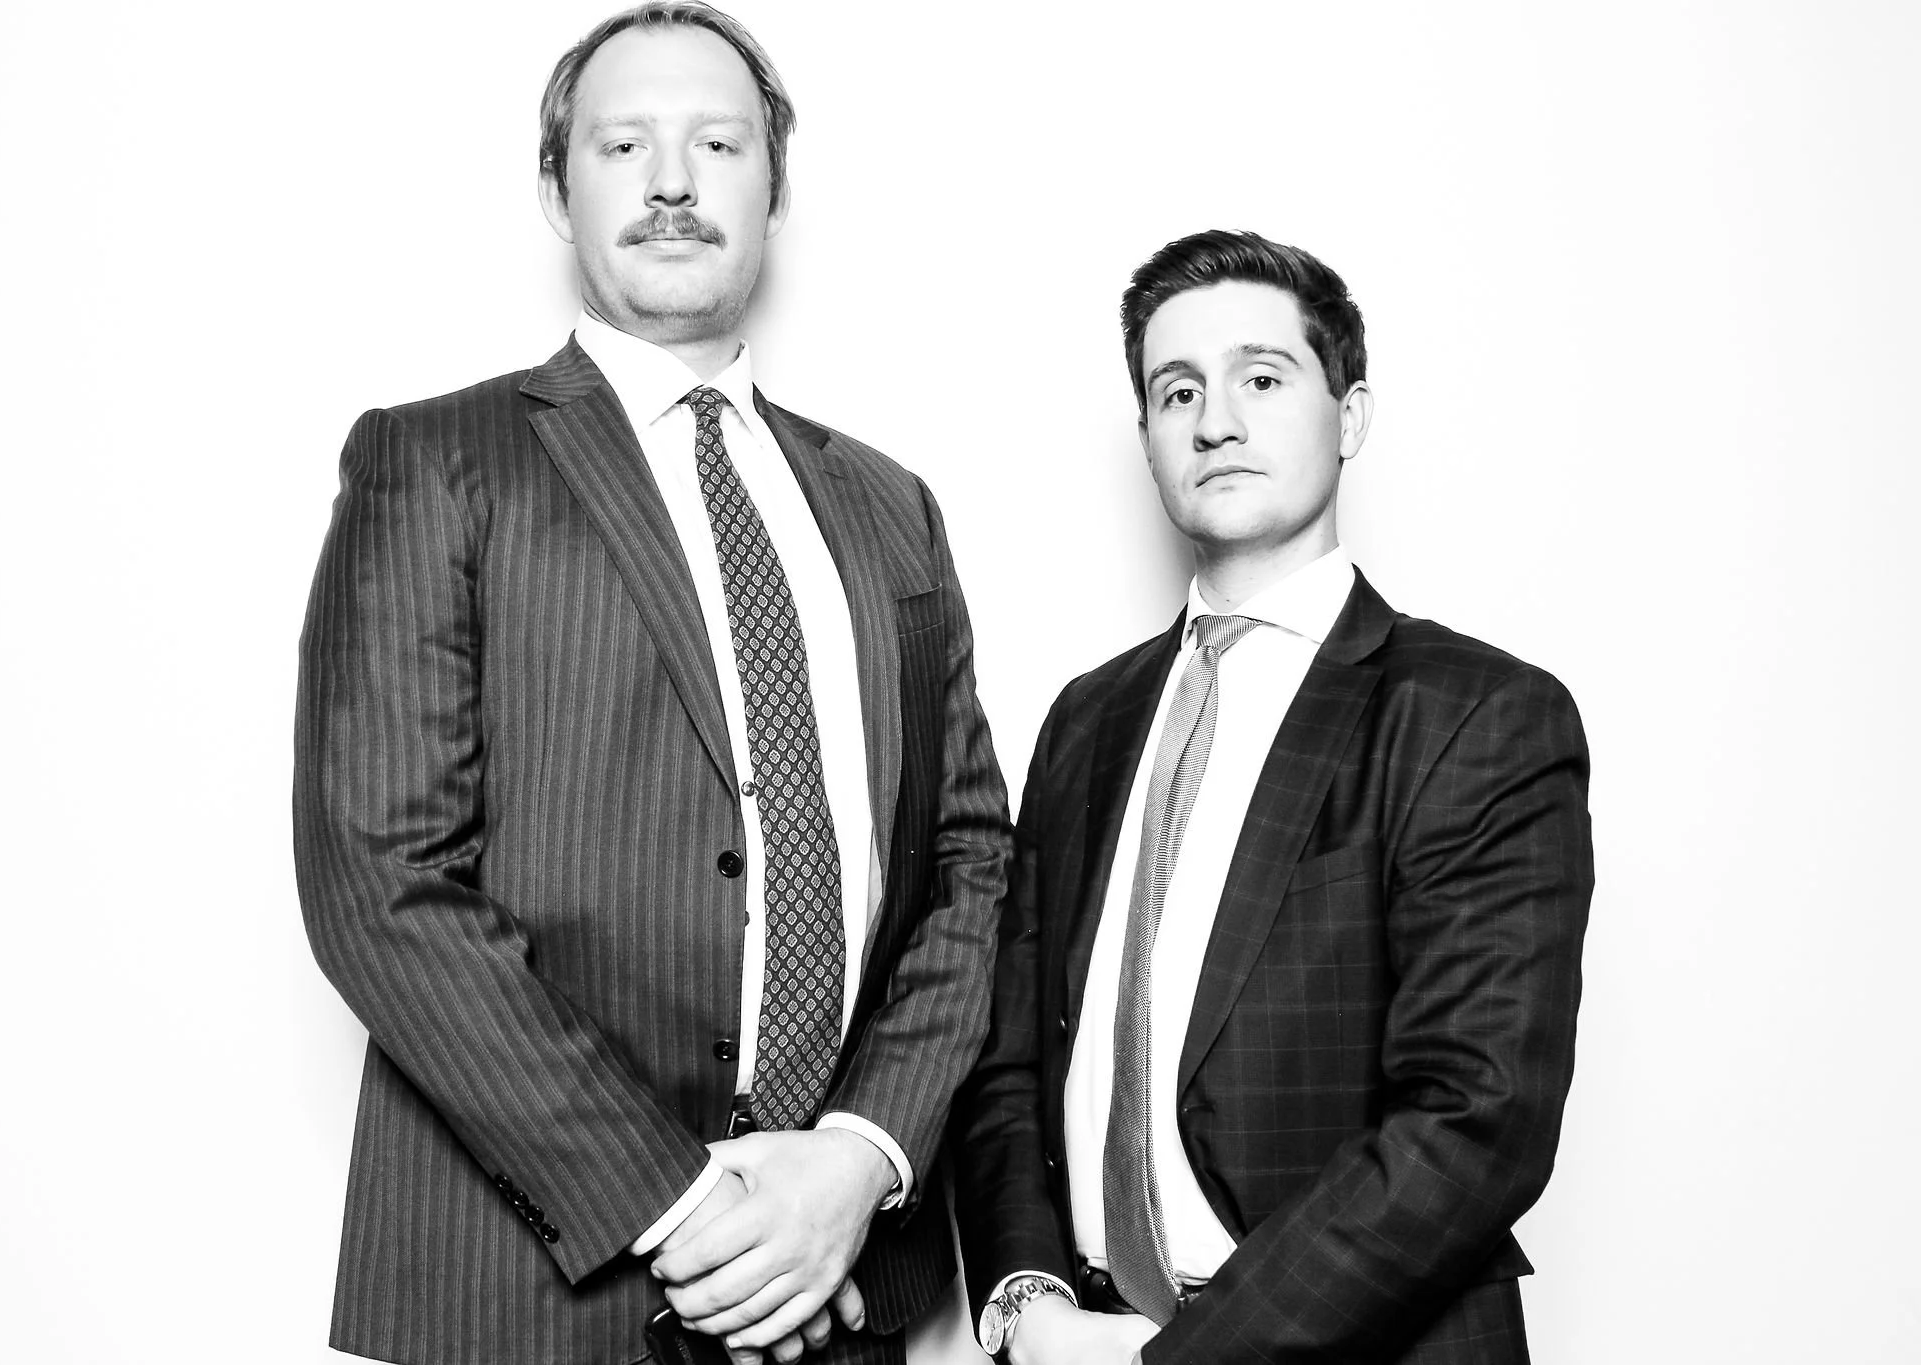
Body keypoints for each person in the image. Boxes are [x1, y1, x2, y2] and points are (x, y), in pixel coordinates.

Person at [292, 6, 1010, 1364]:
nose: (673, 180)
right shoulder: (433, 463)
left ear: (774, 188)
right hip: (528, 1297)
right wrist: (687, 1209)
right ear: (558, 190)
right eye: (624, 143)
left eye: (717, 143)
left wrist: (856, 1162)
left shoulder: (888, 504)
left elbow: (969, 864)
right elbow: (378, 884)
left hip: (847, 1288)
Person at [955, 229, 1592, 1364]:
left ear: (1347, 415)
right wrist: (1025, 1304)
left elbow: (1473, 1119)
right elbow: (1007, 1063)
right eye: (1175, 390)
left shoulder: (1475, 715)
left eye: (1260, 378)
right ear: (1148, 437)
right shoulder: (1085, 722)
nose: (1214, 420)